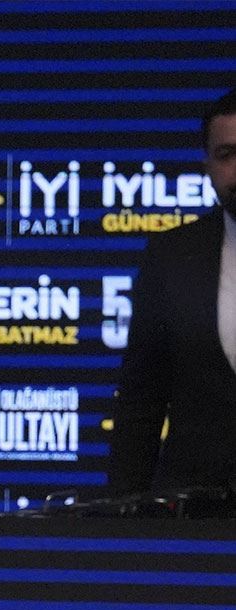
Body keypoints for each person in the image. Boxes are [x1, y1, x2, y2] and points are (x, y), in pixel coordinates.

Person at [108, 88, 236, 494]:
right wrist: (124, 512)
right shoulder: (172, 256)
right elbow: (141, 400)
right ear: (207, 166)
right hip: (196, 508)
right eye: (226, 154)